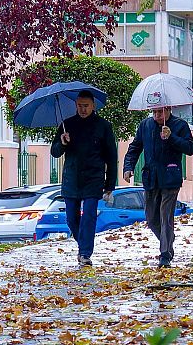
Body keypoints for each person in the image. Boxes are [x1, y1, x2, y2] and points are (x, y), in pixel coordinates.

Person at [51, 90, 117, 267]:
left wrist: (110, 184)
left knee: (89, 216)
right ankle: (82, 246)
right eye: (79, 105)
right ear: (76, 105)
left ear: (93, 105)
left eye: (86, 106)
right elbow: (54, 152)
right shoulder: (67, 125)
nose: (83, 109)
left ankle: (85, 253)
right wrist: (62, 142)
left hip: (93, 178)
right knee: (71, 219)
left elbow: (111, 156)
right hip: (71, 178)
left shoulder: (104, 126)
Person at [122, 106, 193, 268]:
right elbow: (135, 148)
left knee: (165, 215)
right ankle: (168, 239)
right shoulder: (145, 125)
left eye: (160, 112)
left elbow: (190, 148)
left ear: (168, 110)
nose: (156, 116)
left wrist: (171, 137)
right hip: (151, 178)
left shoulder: (179, 125)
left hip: (170, 177)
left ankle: (165, 255)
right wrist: (128, 167)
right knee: (151, 218)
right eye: (154, 112)